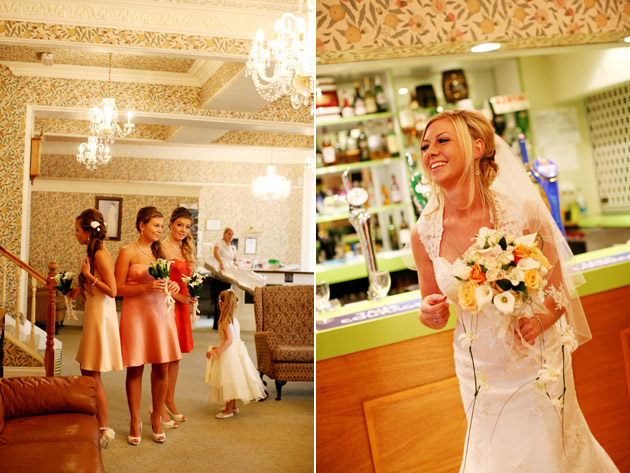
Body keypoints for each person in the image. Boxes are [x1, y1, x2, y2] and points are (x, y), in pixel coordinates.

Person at [410, 110, 619, 472]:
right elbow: (433, 308)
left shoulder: (525, 213)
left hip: (536, 361)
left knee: (551, 457)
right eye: (425, 146)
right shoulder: (423, 232)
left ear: (477, 147)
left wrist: (540, 321)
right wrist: (429, 312)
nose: (430, 152)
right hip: (480, 371)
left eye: (442, 140)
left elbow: (559, 293)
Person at [115, 206, 182, 445]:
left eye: (162, 226)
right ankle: (135, 420)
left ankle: (156, 416)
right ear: (141, 225)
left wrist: (172, 287)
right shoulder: (127, 252)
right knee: (135, 367)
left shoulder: (160, 252)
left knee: (162, 366)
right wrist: (144, 287)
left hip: (160, 313)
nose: (160, 230)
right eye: (156, 225)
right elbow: (117, 288)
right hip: (136, 315)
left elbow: (166, 282)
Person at [73, 208, 122, 448]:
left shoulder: (101, 253)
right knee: (86, 370)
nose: (75, 234)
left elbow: (112, 291)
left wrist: (88, 277)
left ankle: (103, 428)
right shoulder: (93, 252)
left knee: (93, 372)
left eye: (77, 230)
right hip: (94, 312)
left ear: (88, 231)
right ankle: (95, 421)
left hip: (102, 316)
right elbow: (95, 287)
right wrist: (74, 288)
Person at [158, 207, 197, 424]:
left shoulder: (186, 248)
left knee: (176, 357)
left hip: (181, 307)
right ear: (171, 224)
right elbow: (157, 278)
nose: (183, 230)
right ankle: (158, 405)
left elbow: (186, 279)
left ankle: (169, 401)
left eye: (188, 227)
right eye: (180, 225)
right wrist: (179, 297)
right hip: (166, 305)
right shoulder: (161, 248)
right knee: (165, 357)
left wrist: (191, 295)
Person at [206, 289, 266, 418]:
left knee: (229, 380)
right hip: (237, 351)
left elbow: (228, 341)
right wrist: (219, 346)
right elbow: (231, 340)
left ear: (220, 305)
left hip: (229, 353)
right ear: (236, 306)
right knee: (234, 379)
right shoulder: (234, 319)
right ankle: (233, 406)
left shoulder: (224, 321)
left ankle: (228, 411)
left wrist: (216, 351)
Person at [211, 227, 237, 330]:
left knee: (226, 299)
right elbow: (216, 253)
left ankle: (223, 322)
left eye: (232, 234)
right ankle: (216, 324)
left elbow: (234, 259)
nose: (230, 236)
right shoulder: (219, 243)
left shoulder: (232, 247)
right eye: (229, 234)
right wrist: (221, 262)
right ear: (225, 234)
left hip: (228, 275)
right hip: (219, 275)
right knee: (218, 299)